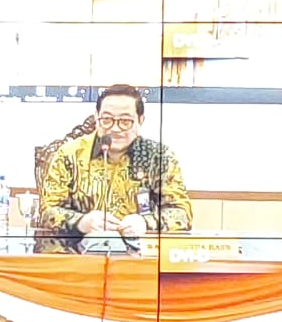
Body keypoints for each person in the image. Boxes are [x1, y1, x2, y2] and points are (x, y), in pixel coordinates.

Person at [36, 84, 192, 251]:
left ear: (140, 121)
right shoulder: (69, 154)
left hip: (139, 254)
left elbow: (182, 214)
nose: (115, 129)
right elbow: (47, 211)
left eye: (125, 121)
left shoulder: (159, 157)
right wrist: (81, 222)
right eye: (107, 120)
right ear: (96, 118)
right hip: (75, 254)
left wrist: (146, 223)